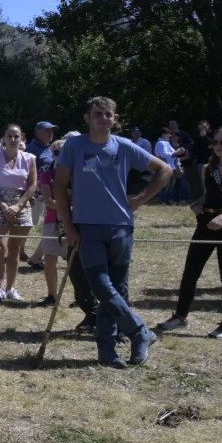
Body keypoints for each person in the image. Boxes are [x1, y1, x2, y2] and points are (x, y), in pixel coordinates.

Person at [56, 96, 170, 368]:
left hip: (120, 226)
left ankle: (107, 351)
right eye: (97, 113)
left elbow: (164, 170)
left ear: (115, 119)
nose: (103, 118)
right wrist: (69, 225)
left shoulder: (126, 146)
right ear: (87, 118)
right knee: (100, 285)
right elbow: (59, 187)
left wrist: (141, 199)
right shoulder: (74, 145)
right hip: (87, 227)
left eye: (108, 114)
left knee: (117, 288)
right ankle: (139, 332)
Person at [156, 125, 222, 339]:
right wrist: (196, 205)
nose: (219, 146)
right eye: (215, 142)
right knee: (191, 272)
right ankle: (180, 316)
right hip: (206, 222)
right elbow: (207, 196)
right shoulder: (208, 169)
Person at [0, 124, 37, 302]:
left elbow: (32, 185)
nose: (13, 139)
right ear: (3, 138)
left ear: (22, 138)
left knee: (15, 249)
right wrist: (3, 205)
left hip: (22, 206)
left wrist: (18, 206)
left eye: (17, 136)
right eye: (10, 136)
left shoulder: (30, 158)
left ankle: (11, 288)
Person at [36, 140, 67, 306]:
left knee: (75, 262)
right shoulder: (47, 174)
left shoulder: (77, 173)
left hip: (74, 221)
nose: (59, 155)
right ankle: (52, 295)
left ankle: (82, 297)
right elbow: (47, 199)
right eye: (56, 152)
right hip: (51, 221)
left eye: (63, 152)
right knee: (49, 259)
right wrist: (65, 208)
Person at [25, 121, 57, 270]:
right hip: (36, 193)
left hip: (47, 191)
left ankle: (26, 253)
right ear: (37, 132)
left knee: (36, 222)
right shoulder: (31, 149)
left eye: (52, 131)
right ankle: (19, 250)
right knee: (29, 222)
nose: (50, 133)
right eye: (47, 131)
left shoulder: (48, 148)